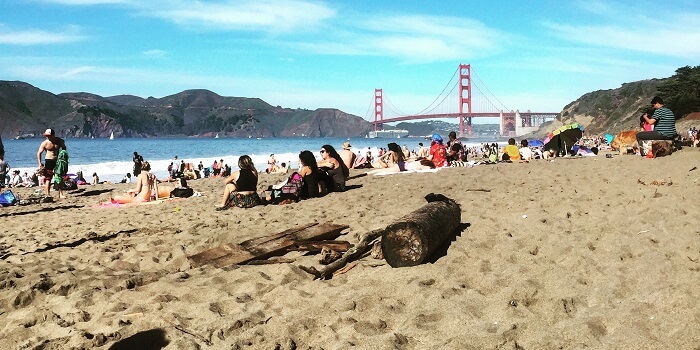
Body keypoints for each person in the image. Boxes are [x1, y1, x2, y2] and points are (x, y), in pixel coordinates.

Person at [36, 128, 67, 198]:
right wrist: (39, 163)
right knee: (48, 178)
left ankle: (61, 193)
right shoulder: (45, 143)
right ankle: (47, 194)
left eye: (49, 135)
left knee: (59, 177)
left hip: (58, 160)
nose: (47, 137)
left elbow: (64, 148)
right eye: (46, 136)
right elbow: (39, 153)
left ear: (53, 135)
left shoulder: (59, 141)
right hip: (49, 160)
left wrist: (63, 158)